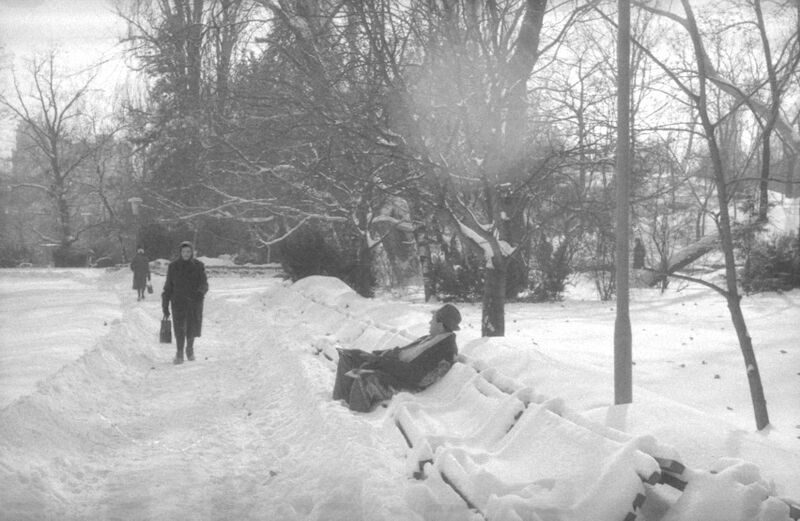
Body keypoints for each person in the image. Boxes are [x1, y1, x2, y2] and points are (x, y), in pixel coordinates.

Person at [332, 303, 462, 412]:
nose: (429, 322)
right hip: (395, 370)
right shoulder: (429, 339)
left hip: (406, 384)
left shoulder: (445, 350)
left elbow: (414, 375)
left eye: (432, 319)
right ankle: (338, 407)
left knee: (365, 378)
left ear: (440, 325)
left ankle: (354, 419)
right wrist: (375, 356)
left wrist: (381, 362)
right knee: (351, 357)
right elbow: (401, 353)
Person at [162, 241, 208, 365]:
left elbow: (204, 284)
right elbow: (168, 286)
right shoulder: (173, 266)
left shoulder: (199, 266)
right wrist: (165, 305)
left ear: (192, 252)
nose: (186, 254)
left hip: (194, 301)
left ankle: (190, 349)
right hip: (178, 301)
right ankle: (179, 352)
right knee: (179, 328)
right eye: (183, 252)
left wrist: (200, 293)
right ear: (180, 252)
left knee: (191, 327)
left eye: (188, 251)